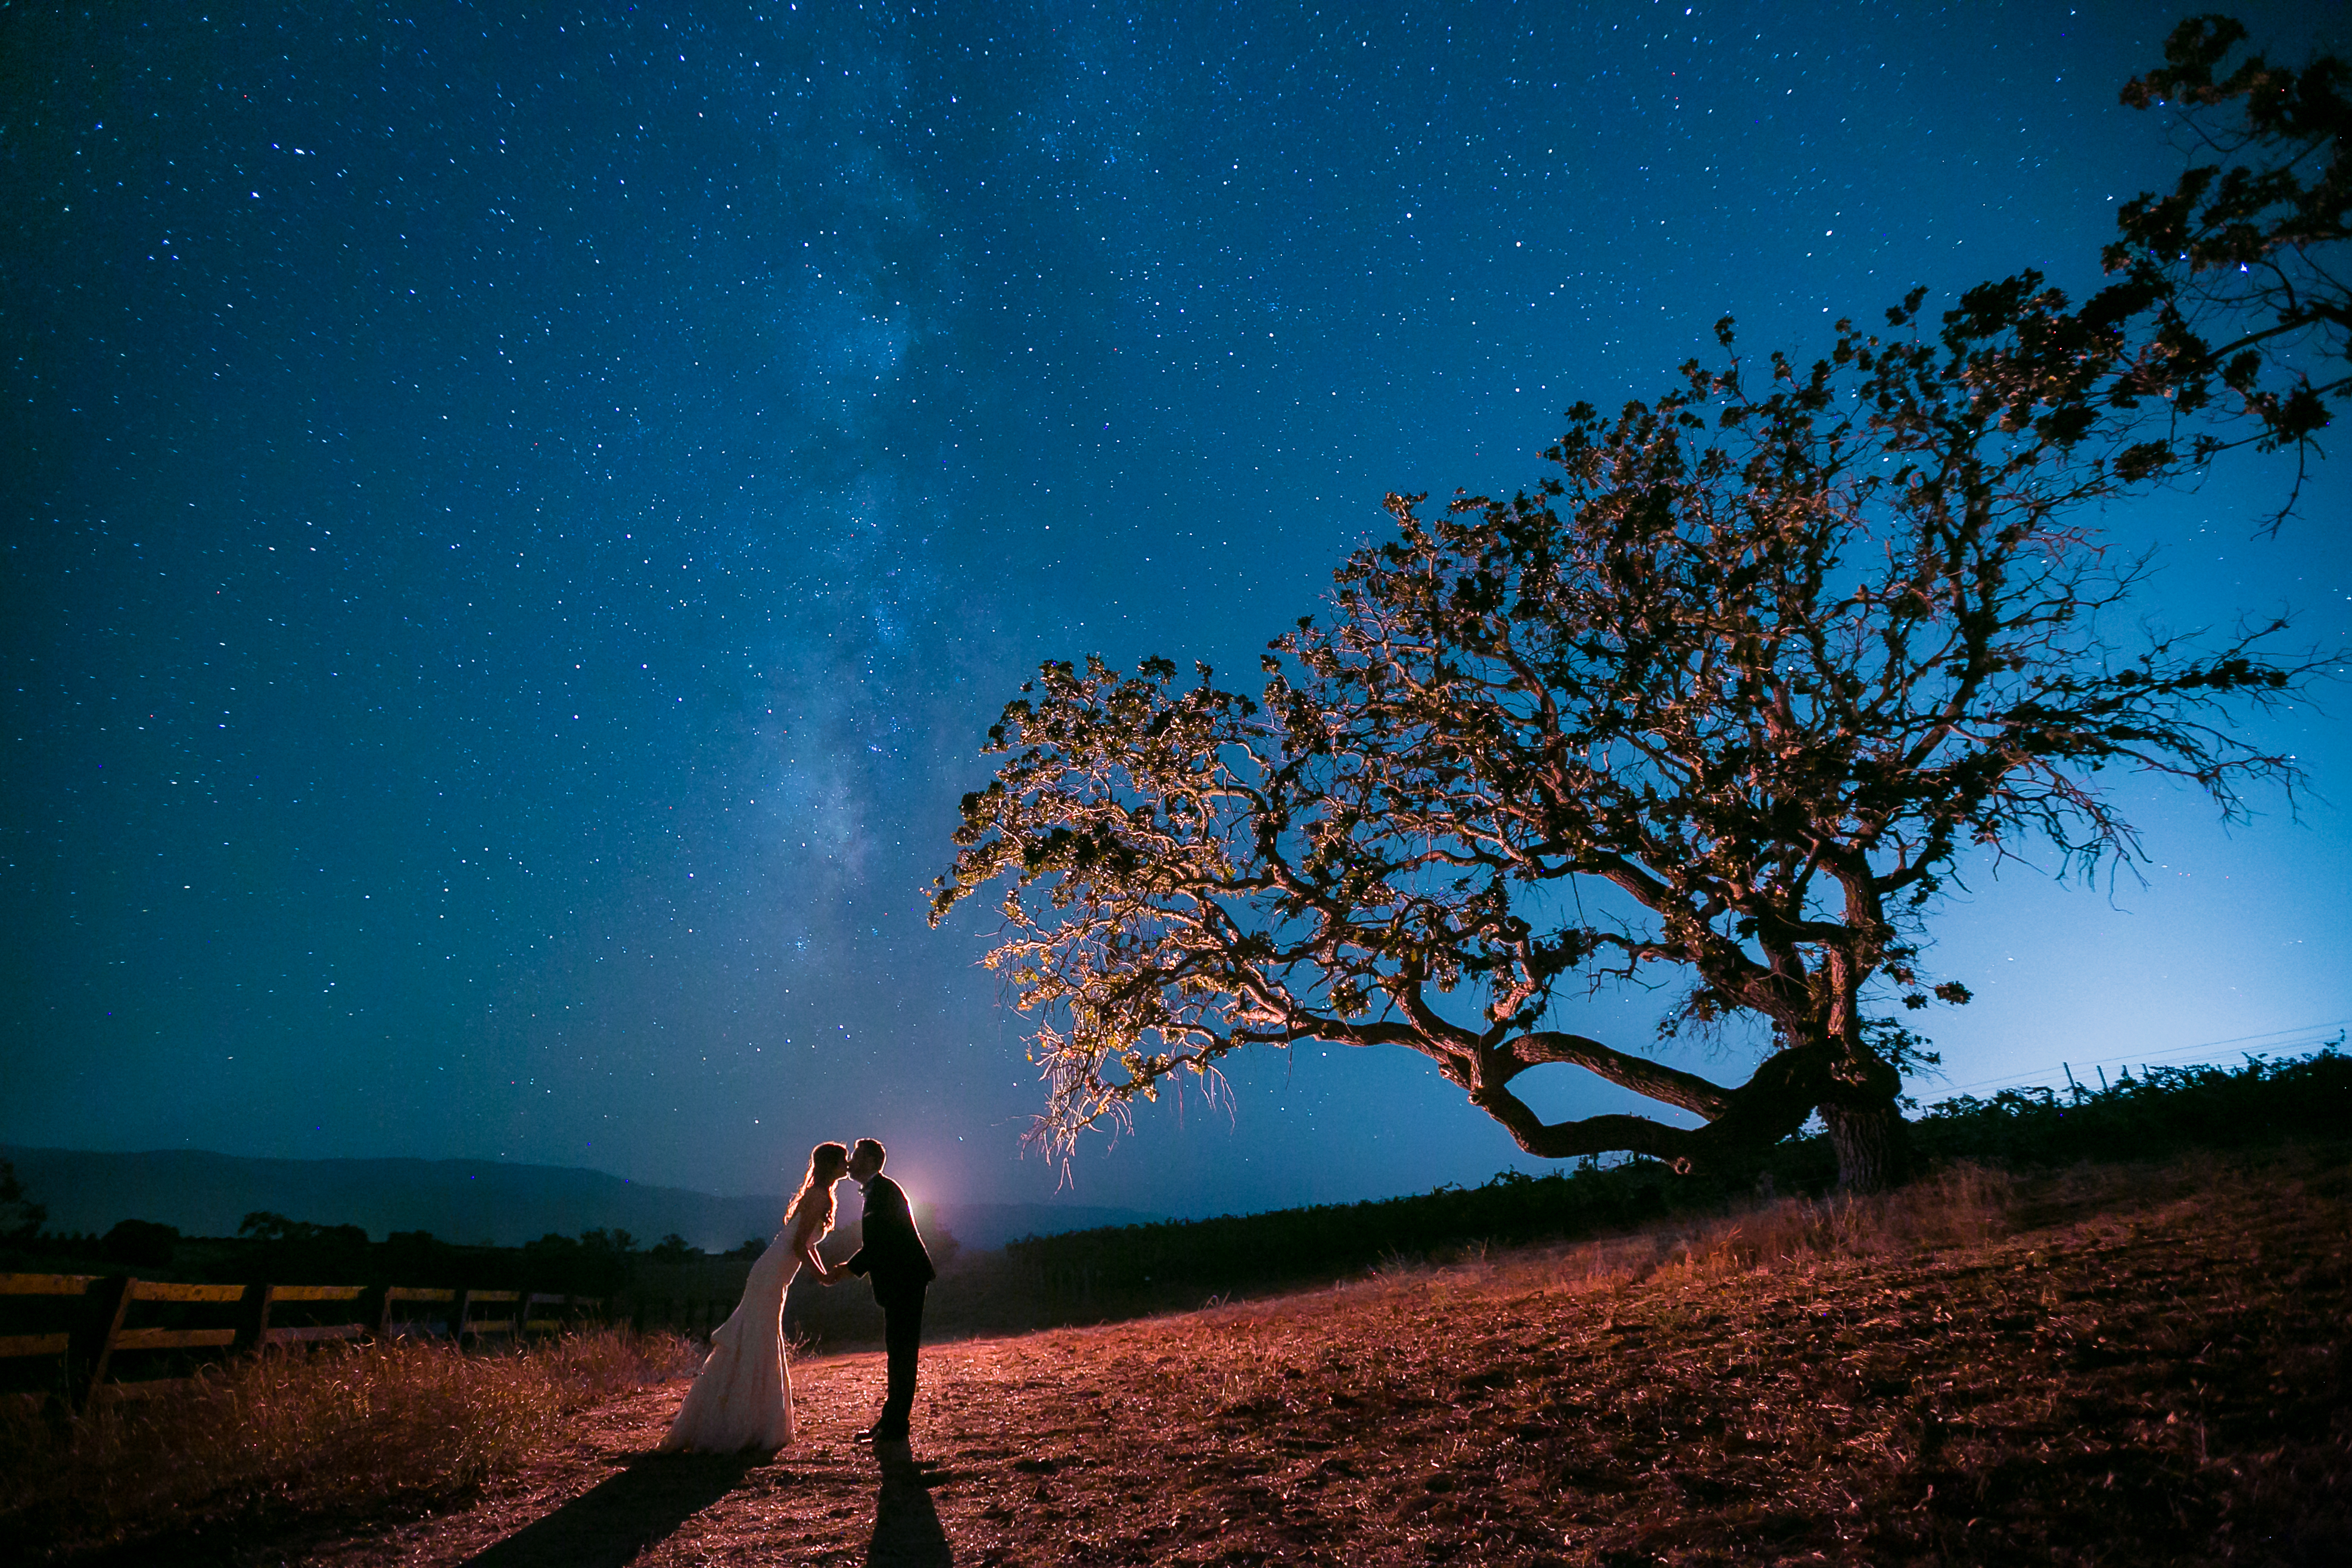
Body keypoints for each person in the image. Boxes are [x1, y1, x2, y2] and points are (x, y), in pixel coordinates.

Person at [658, 1141, 851, 1453]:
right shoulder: (817, 1196)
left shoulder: (822, 1195)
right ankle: (739, 1423)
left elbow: (807, 1246)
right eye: (844, 1160)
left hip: (776, 1276)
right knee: (756, 1341)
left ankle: (749, 1419)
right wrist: (823, 1277)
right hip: (771, 1275)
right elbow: (801, 1244)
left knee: (760, 1340)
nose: (848, 1164)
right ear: (832, 1165)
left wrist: (824, 1273)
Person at [842, 1137, 935, 1443]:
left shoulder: (884, 1192)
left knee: (902, 1353)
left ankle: (895, 1427)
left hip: (906, 1280)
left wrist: (846, 1270)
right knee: (898, 1352)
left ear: (869, 1160)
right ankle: (891, 1422)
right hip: (902, 1281)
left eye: (855, 1156)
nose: (849, 1161)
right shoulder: (879, 1191)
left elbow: (880, 1244)